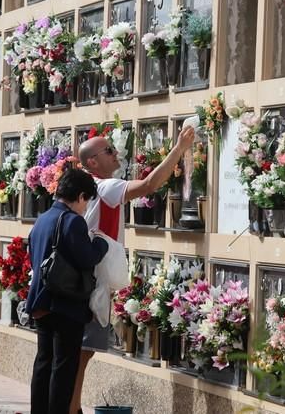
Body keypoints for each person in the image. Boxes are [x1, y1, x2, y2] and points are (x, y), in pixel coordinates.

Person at [68, 125, 195, 414]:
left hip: (85, 278)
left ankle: (72, 407)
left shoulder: (84, 186)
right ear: (93, 163)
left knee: (79, 354)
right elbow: (149, 185)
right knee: (80, 355)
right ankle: (71, 408)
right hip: (93, 281)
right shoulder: (104, 186)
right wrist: (179, 149)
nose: (116, 154)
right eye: (109, 151)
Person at [26, 168, 109, 414]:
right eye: (87, 201)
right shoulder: (72, 221)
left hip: (41, 302)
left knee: (43, 363)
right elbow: (87, 259)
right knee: (63, 369)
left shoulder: (43, 219)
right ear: (81, 196)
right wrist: (100, 242)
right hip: (65, 305)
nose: (86, 207)